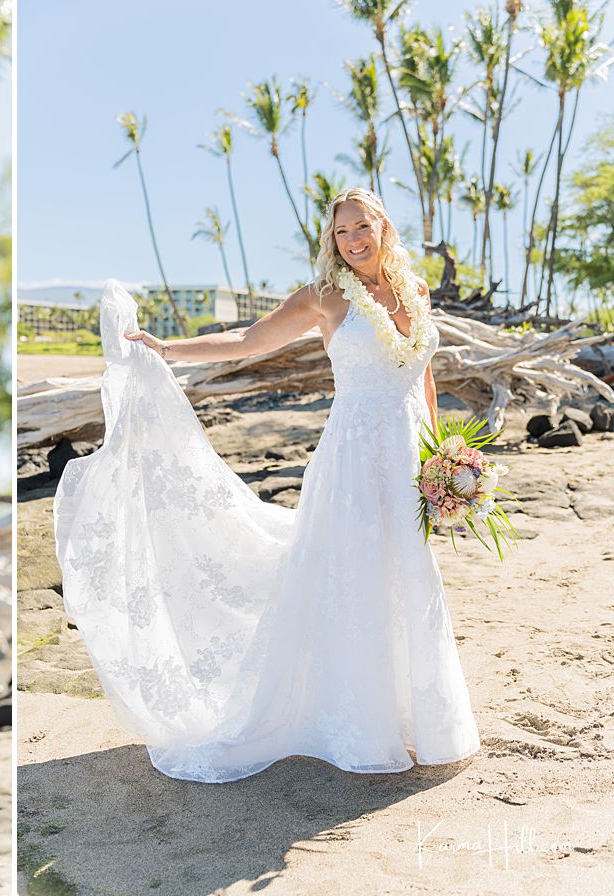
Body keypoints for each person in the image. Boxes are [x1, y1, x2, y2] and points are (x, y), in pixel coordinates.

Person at [54, 187, 480, 784]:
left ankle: (418, 720)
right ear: (332, 240)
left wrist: (445, 459)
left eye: (362, 227)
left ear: (384, 225)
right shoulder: (325, 298)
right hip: (353, 459)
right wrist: (168, 347)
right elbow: (250, 340)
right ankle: (355, 724)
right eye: (341, 232)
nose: (353, 240)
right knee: (351, 577)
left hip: (409, 458)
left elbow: (424, 379)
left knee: (407, 573)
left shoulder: (418, 291)